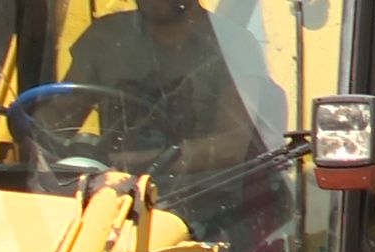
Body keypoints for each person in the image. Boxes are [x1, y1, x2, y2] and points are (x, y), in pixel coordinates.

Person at [61, 0, 285, 175]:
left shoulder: (233, 44)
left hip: (205, 207)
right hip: (112, 196)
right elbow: (51, 123)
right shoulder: (105, 38)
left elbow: (230, 147)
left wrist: (131, 162)